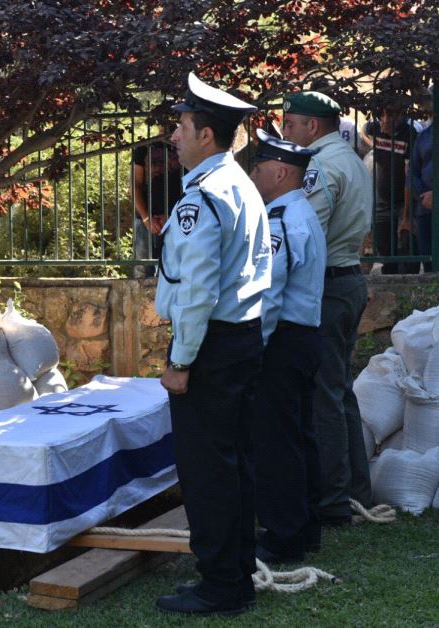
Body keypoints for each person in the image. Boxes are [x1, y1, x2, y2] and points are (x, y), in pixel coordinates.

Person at [154, 73, 271, 617]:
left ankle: (221, 584)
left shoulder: (203, 196)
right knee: (235, 462)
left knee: (208, 470)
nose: (173, 136)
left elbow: (198, 291)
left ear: (206, 135)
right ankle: (236, 575)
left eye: (180, 126)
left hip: (212, 346)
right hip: (242, 338)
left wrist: (180, 361)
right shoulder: (238, 182)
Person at [281, 91, 373, 526]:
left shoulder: (318, 164)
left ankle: (334, 501)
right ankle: (355, 491)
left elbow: (307, 234)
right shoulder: (351, 158)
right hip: (350, 278)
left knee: (323, 396)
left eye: (290, 123)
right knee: (340, 392)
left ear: (312, 127)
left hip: (329, 287)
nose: (285, 131)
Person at [247, 129, 327, 563]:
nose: (253, 174)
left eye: (258, 168)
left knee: (276, 441)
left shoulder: (278, 220)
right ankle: (304, 525)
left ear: (280, 172)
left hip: (282, 341)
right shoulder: (302, 213)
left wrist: (253, 349)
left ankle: (283, 534)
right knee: (298, 435)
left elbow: (269, 295)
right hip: (304, 337)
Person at [363, 108, 415, 274]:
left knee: (405, 249)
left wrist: (407, 214)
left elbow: (410, 174)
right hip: (381, 201)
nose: (385, 120)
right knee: (385, 250)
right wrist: (372, 144)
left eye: (391, 114)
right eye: (382, 115)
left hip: (402, 201)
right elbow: (363, 130)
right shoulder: (374, 128)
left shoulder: (409, 133)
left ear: (401, 114)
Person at [409, 97, 439, 272]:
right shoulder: (424, 136)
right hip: (425, 208)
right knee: (430, 264)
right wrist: (425, 197)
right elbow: (413, 172)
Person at [131, 141, 182, 278]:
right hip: (144, 220)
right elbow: (135, 184)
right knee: (142, 272)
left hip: (177, 220)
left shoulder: (185, 146)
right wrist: (147, 218)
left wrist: (171, 217)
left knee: (171, 271)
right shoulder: (143, 146)